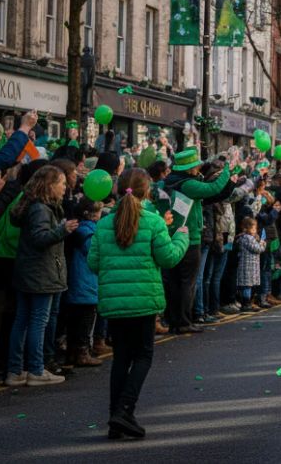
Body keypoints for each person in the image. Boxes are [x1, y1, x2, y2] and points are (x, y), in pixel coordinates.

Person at [90, 168, 189, 439]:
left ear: (119, 190)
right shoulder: (154, 221)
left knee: (121, 357)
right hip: (144, 300)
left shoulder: (104, 223)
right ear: (148, 192)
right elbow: (168, 258)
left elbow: (93, 263)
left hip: (115, 301)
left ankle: (116, 418)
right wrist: (181, 236)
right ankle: (124, 409)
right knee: (143, 355)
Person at [5, 165, 77, 387]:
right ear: (50, 185)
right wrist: (63, 230)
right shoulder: (41, 210)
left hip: (29, 271)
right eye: (62, 183)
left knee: (22, 320)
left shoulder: (34, 207)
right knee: (37, 321)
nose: (65, 188)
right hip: (41, 273)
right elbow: (40, 238)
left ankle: (16, 370)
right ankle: (35, 369)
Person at [161, 147, 233, 334]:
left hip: (172, 236)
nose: (198, 168)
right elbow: (213, 188)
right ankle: (184, 321)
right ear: (188, 168)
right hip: (188, 238)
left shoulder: (170, 182)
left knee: (176, 282)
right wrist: (228, 170)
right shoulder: (187, 185)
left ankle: (175, 320)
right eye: (195, 166)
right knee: (188, 282)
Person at [63, 198, 102, 368]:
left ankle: (73, 351)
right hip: (86, 282)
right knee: (85, 319)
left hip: (78, 281)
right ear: (93, 214)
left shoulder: (79, 229)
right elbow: (94, 253)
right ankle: (82, 352)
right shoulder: (89, 232)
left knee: (74, 320)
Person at [235, 217, 265, 312]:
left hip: (249, 266)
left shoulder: (246, 238)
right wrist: (262, 244)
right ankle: (246, 304)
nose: (255, 231)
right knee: (247, 286)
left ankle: (247, 303)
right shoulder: (248, 238)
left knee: (247, 286)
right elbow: (257, 249)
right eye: (253, 229)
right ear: (246, 229)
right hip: (248, 267)